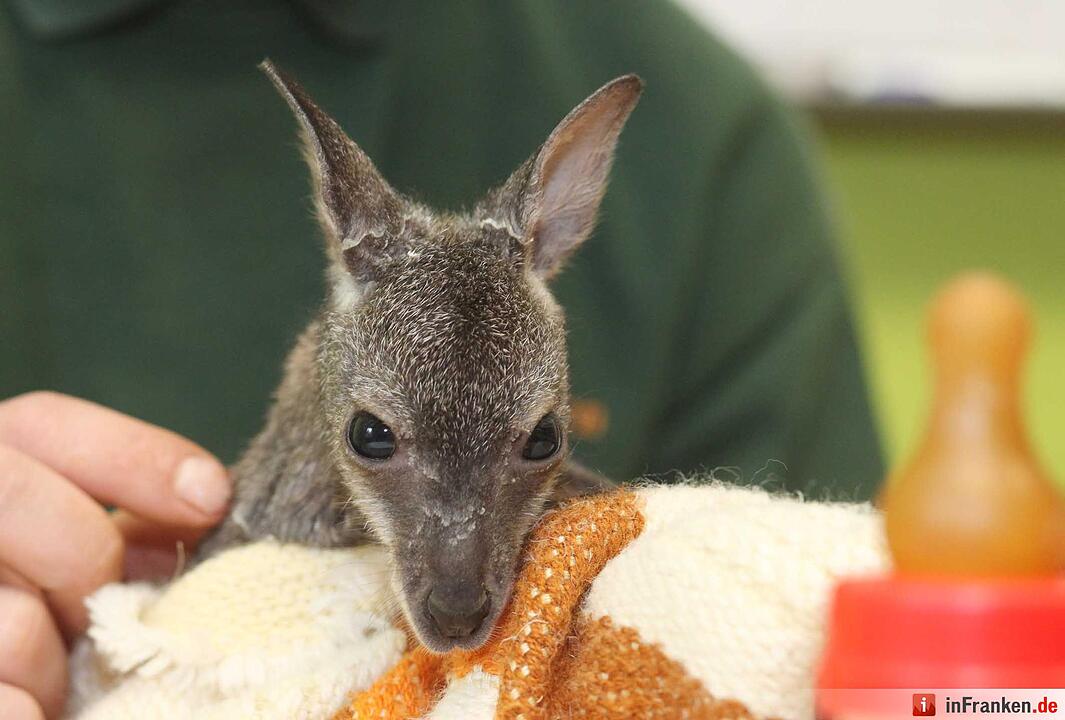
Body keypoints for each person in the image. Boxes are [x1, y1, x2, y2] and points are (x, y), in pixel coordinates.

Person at [0, 0, 883, 716]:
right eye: (380, 443)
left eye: (536, 445)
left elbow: (841, 640)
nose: (459, 584)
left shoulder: (704, 128)